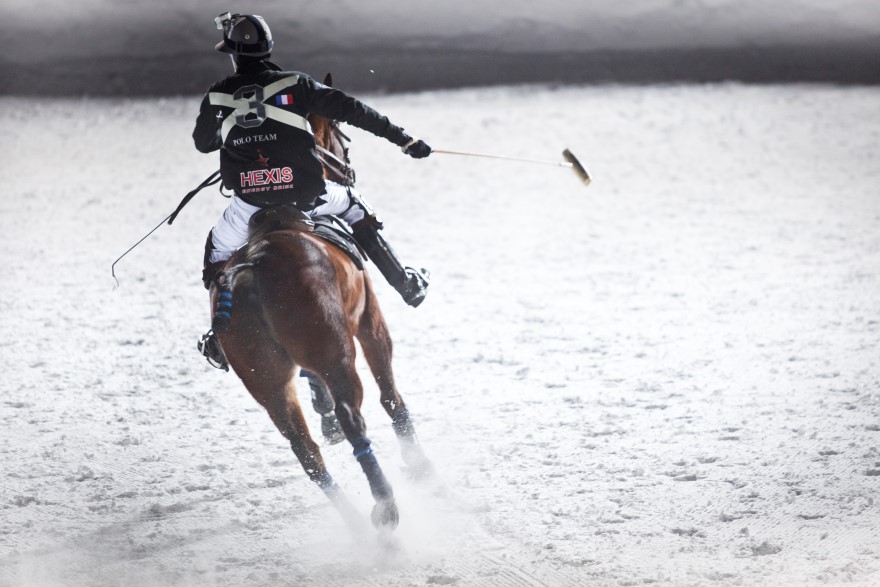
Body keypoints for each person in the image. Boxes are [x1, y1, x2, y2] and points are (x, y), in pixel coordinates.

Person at [193, 13, 432, 369]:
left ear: (233, 55)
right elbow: (354, 111)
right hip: (307, 198)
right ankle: (405, 283)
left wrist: (233, 132)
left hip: (249, 204)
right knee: (354, 204)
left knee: (216, 253)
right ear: (268, 48)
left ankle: (221, 334)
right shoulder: (297, 84)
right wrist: (404, 139)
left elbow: (203, 143)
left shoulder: (218, 94)